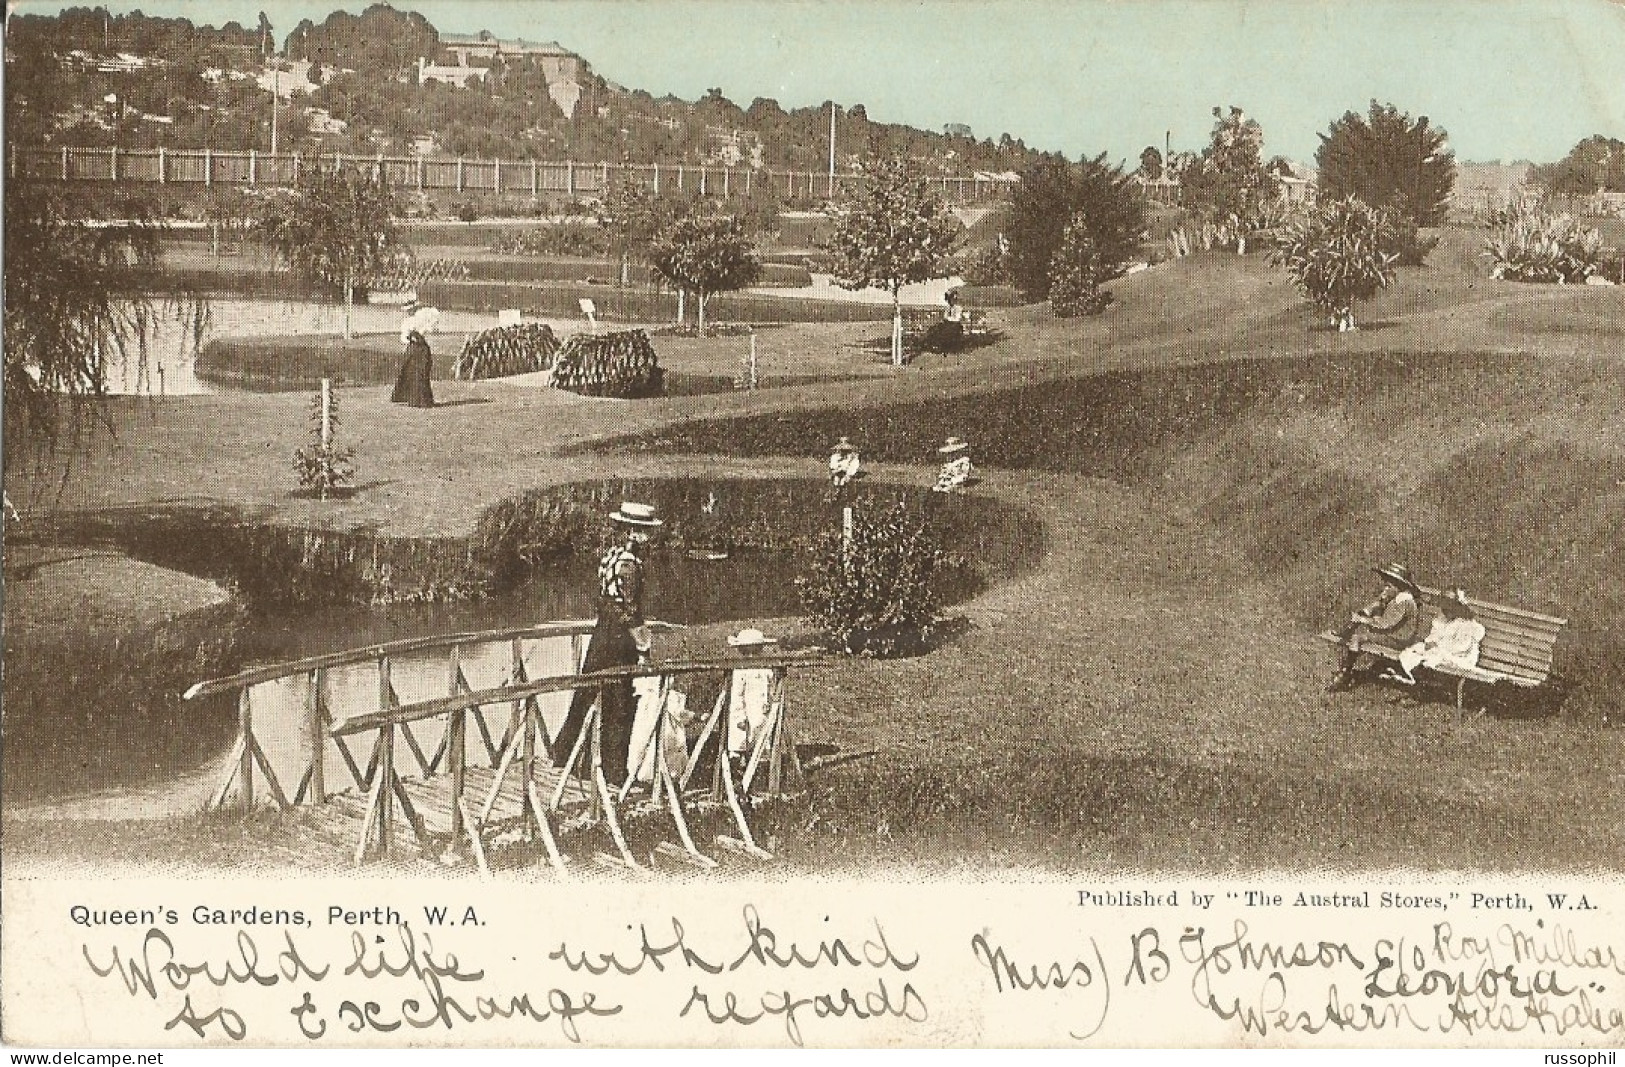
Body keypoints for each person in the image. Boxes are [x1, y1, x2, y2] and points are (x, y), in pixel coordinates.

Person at [553, 501, 662, 786]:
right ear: (634, 533)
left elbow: (603, 600)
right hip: (619, 639)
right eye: (644, 532)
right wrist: (643, 647)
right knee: (618, 703)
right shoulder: (630, 566)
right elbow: (630, 611)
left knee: (589, 693)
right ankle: (612, 773)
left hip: (602, 634)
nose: (648, 538)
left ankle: (570, 758)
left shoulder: (610, 557)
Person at [1327, 562, 1423, 691]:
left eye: (1389, 586)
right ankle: (1346, 632)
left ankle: (1345, 673)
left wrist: (1363, 619)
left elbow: (1385, 624)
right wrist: (1374, 606)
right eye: (1385, 585)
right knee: (1374, 607)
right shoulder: (1397, 597)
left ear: (1400, 586)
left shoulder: (1404, 600)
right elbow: (1384, 618)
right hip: (1392, 635)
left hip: (1400, 640)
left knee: (1357, 638)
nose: (1385, 589)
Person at [1389, 588, 1486, 684]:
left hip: (1461, 657)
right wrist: (1429, 643)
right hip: (1443, 651)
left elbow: (1461, 647)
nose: (1445, 611)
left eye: (1449, 606)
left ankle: (1410, 676)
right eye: (1444, 606)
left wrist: (1438, 646)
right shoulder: (1441, 619)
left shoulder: (1467, 625)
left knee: (1433, 655)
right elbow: (1434, 636)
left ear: (1457, 607)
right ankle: (1404, 671)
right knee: (1416, 649)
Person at [725, 628, 779, 760]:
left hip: (761, 711)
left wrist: (770, 701)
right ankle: (740, 768)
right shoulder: (740, 670)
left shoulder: (766, 668)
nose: (752, 655)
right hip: (746, 710)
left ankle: (761, 766)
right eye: (748, 651)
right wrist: (739, 717)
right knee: (742, 741)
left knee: (761, 739)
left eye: (756, 650)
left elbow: (771, 687)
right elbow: (736, 696)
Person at [391, 302, 438, 408]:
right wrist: (410, 337)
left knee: (421, 373)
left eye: (411, 309)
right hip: (412, 349)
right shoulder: (407, 322)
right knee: (409, 371)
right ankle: (408, 398)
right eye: (408, 310)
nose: (409, 312)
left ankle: (422, 400)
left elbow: (431, 329)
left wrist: (419, 334)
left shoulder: (423, 317)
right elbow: (403, 337)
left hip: (422, 349)